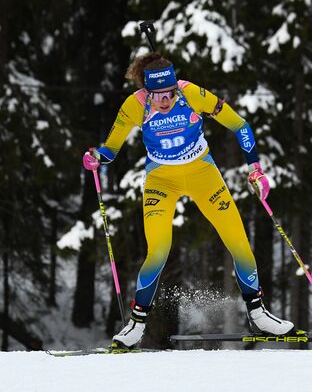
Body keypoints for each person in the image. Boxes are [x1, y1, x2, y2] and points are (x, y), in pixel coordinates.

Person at [82, 52, 294, 348]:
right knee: (158, 250)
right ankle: (136, 325)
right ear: (146, 91)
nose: (165, 100)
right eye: (157, 95)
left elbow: (240, 125)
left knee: (238, 241)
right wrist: (96, 158)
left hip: (202, 174)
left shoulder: (192, 94)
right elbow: (110, 149)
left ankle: (258, 314)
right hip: (161, 181)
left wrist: (255, 170)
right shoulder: (134, 105)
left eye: (169, 93)